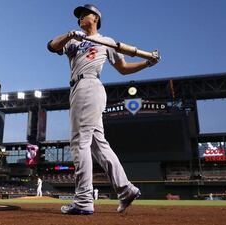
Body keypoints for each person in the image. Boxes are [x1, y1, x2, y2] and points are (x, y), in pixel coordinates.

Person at [48, 4, 159, 215]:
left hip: (89, 86)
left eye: (84, 14)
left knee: (80, 142)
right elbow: (51, 46)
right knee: (99, 145)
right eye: (78, 16)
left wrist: (146, 63)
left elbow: (123, 69)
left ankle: (83, 200)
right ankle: (126, 189)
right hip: (79, 89)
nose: (80, 17)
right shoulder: (73, 39)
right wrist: (70, 34)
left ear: (96, 18)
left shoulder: (106, 41)